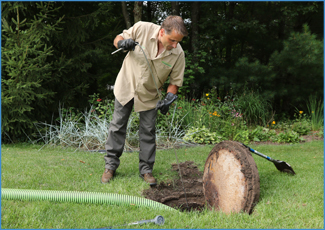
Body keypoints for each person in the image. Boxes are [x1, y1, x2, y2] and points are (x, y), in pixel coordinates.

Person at [101, 15, 188, 186]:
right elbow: (118, 38)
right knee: (117, 126)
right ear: (162, 31)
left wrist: (170, 97)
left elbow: (175, 82)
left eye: (178, 42)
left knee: (148, 132)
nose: (175, 45)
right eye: (172, 40)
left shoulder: (178, 53)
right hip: (127, 85)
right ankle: (110, 167)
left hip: (150, 94)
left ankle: (146, 170)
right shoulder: (142, 28)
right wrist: (121, 43)